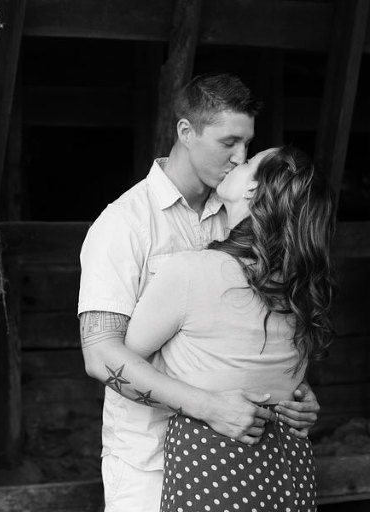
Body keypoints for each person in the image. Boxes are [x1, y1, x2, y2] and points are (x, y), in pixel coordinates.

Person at [77, 74, 320, 512]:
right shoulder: (124, 224)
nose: (239, 156)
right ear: (186, 132)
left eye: (247, 145)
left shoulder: (245, 215)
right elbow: (100, 356)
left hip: (242, 458)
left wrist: (293, 390)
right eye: (229, 142)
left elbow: (251, 330)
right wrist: (207, 406)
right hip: (147, 460)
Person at [123, 146, 334, 511]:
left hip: (214, 461)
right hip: (288, 465)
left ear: (253, 190)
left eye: (248, 162)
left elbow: (124, 364)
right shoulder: (300, 286)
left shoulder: (190, 271)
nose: (238, 160)